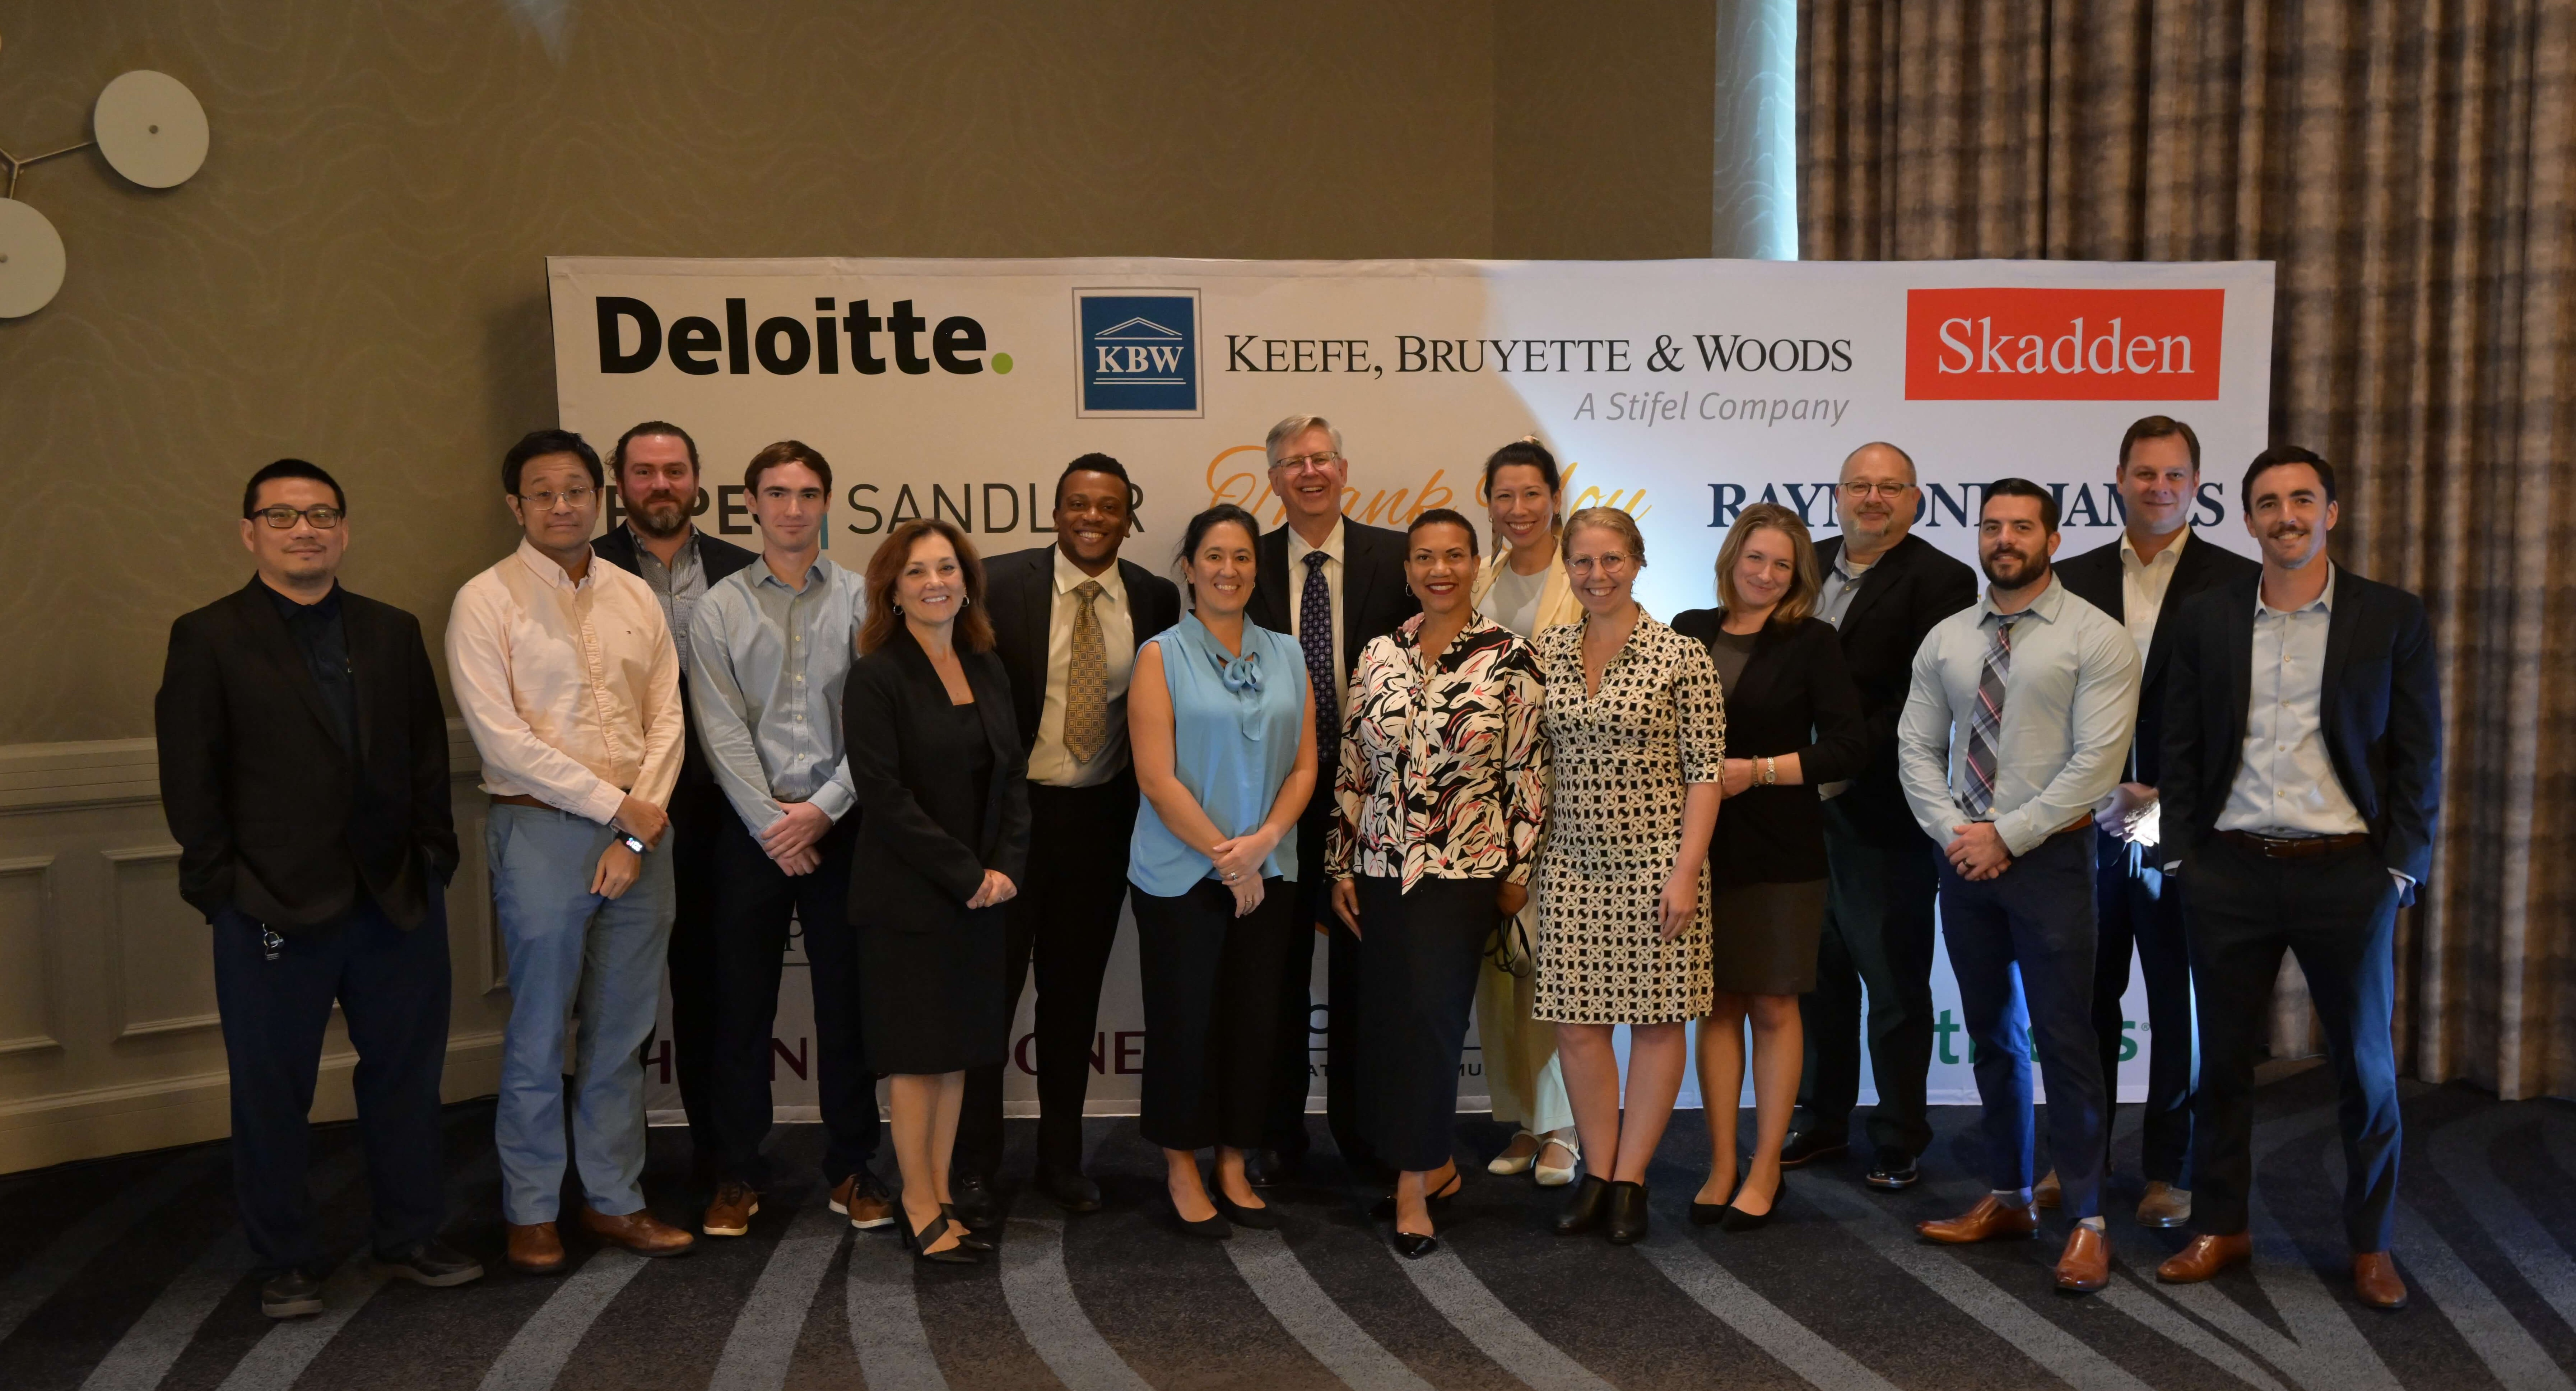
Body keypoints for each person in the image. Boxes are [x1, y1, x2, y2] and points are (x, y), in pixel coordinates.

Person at [155, 460, 481, 1318]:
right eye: (284, 515)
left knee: (406, 1080)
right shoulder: (209, 634)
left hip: (396, 899)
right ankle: (285, 1259)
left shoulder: (390, 629)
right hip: (268, 902)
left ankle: (408, 1235)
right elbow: (191, 777)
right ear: (249, 531)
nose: (306, 529)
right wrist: (221, 887)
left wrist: (432, 857)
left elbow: (422, 756)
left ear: (344, 528)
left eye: (322, 514)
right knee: (272, 1089)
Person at [2152, 447, 2440, 1312]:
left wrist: (2398, 868)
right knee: (2222, 1064)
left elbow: (2419, 754)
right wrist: (2178, 856)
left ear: (2331, 511)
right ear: (2244, 519)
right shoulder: (2205, 616)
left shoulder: (2389, 616)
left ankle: (2369, 1242)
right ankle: (2221, 1223)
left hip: (2344, 874)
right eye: (2267, 502)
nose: (2285, 515)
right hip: (2228, 870)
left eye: (2301, 499)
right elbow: (2178, 742)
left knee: (2365, 1067)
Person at [448, 430, 696, 1273]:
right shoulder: (485, 600)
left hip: (643, 838)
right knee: (538, 1030)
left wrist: (633, 829)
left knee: (621, 1034)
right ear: (515, 505)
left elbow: (668, 719)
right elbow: (503, 739)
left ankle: (613, 1199)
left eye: (576, 490)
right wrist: (613, 809)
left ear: (601, 498)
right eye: (543, 492)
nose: (562, 505)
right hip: (540, 831)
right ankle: (528, 1209)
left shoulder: (636, 595)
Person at [1897, 479, 2139, 1294]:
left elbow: (2095, 768)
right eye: (1991, 525)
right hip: (1962, 861)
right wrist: (1956, 837)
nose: (2004, 538)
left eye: (2021, 527)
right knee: (1990, 1035)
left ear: (2053, 538)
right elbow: (1915, 747)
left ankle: (2087, 1219)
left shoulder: (2095, 637)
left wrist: (2006, 834)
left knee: (2065, 1039)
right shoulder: (1946, 639)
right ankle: (2005, 1194)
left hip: (2051, 863)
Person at [954, 454, 1181, 1220]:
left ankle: (1060, 1159)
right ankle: (975, 1165)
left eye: (1108, 506)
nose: (1092, 517)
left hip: (1098, 826)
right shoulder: (996, 583)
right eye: (1078, 504)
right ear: (1055, 512)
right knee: (988, 999)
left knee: (1072, 1001)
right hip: (1009, 826)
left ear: (1128, 517)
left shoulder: (1154, 598)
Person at [2050, 416, 2258, 1226]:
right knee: (2083, 996)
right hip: (2084, 822)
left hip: (2175, 823)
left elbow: (2237, 718)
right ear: (2118, 478)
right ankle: (2082, 1161)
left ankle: (2166, 1169)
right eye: (2144, 473)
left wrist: (2162, 799)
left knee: (2176, 1002)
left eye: (2174, 475)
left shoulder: (2236, 581)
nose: (2158, 488)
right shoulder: (2067, 577)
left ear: (2196, 486)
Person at [1330, 509, 1550, 1258]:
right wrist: (1340, 861)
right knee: (1393, 1023)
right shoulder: (1378, 653)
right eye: (1424, 557)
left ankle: (1409, 1187)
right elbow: (1354, 766)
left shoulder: (1509, 657)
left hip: (1464, 872)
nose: (1439, 569)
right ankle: (1436, 1166)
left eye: (1454, 555)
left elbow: (1527, 774)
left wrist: (1516, 871)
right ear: (1407, 571)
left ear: (1476, 562)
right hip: (1381, 868)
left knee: (1429, 1023)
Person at [687, 442, 891, 1237]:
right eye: (777, 493)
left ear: (828, 501)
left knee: (848, 1009)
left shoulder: (864, 600)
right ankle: (738, 1171)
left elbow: (876, 727)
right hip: (751, 835)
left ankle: (850, 1166)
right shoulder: (719, 607)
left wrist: (825, 810)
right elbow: (719, 728)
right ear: (750, 505)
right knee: (739, 1009)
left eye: (809, 492)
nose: (793, 508)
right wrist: (775, 824)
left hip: (842, 830)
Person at [1671, 503, 1866, 1232]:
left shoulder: (1811, 642)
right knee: (1716, 1003)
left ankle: (1764, 1167)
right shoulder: (1687, 629)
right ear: (1730, 559)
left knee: (1775, 1005)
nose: (1764, 573)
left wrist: (1756, 770)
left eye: (1781, 564)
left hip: (1781, 849)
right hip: (1695, 848)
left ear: (1797, 577)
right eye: (1754, 558)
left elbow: (1847, 747)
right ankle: (1721, 1161)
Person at [1788, 441, 1977, 1190]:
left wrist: (1832, 759)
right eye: (1858, 485)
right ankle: (1821, 1118)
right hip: (1795, 812)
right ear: (1836, 495)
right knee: (1815, 976)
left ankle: (1898, 1132)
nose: (1872, 498)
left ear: (1914, 499)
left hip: (1881, 809)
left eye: (1888, 487)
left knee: (1894, 983)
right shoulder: (1803, 561)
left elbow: (1919, 700)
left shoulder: (1941, 579)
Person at [1535, 507, 1725, 1247]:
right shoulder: (1545, 651)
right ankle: (1596, 1169)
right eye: (1581, 562)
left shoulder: (1680, 655)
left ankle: (1631, 1179)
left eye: (1611, 559)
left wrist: (1683, 872)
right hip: (1570, 865)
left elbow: (1705, 774)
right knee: (1578, 1028)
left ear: (1638, 561)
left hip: (1658, 866)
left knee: (1654, 1022)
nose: (1596, 575)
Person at [843, 518, 1031, 1263]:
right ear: (892, 586)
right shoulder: (876, 674)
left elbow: (1012, 774)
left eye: (947, 568)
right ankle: (917, 1202)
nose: (935, 583)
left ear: (967, 580)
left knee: (957, 1054)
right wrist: (966, 874)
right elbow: (884, 798)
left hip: (984, 895)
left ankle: (944, 1190)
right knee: (919, 1058)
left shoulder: (984, 663)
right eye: (917, 571)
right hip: (910, 900)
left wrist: (1005, 867)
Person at [1129, 504, 1318, 1237]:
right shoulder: (1160, 655)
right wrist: (1223, 854)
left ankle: (1234, 1159)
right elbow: (1155, 777)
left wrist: (1264, 841)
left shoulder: (1288, 654)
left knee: (1253, 1022)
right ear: (1189, 567)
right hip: (1180, 876)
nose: (1228, 570)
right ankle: (1181, 1162)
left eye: (1241, 557)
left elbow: (1304, 765)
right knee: (1184, 1022)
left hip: (1271, 870)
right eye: (1213, 556)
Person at [1245, 415, 1418, 1185]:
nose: (1309, 472)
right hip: (1274, 793)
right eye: (1293, 462)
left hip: (1373, 801)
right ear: (1274, 477)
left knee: (1364, 973)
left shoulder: (1395, 553)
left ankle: (1364, 1133)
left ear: (1343, 468)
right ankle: (1276, 1132)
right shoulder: (1242, 561)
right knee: (1273, 971)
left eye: (1321, 458)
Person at [591, 420, 758, 1195]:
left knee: (717, 997)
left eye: (675, 470)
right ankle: (606, 1180)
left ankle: (725, 1165)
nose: (660, 485)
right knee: (610, 1001)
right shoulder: (581, 566)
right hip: (615, 812)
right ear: (617, 483)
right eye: (644, 472)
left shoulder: (742, 570)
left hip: (721, 813)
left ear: (698, 479)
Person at [1469, 437, 1585, 1186]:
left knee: (1552, 967)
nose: (1517, 510)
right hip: (1480, 809)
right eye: (1503, 496)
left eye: (1530, 495)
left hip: (1565, 805)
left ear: (1554, 499)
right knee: (1498, 969)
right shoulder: (1476, 580)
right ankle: (1518, 1118)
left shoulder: (1584, 578)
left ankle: (1564, 1126)